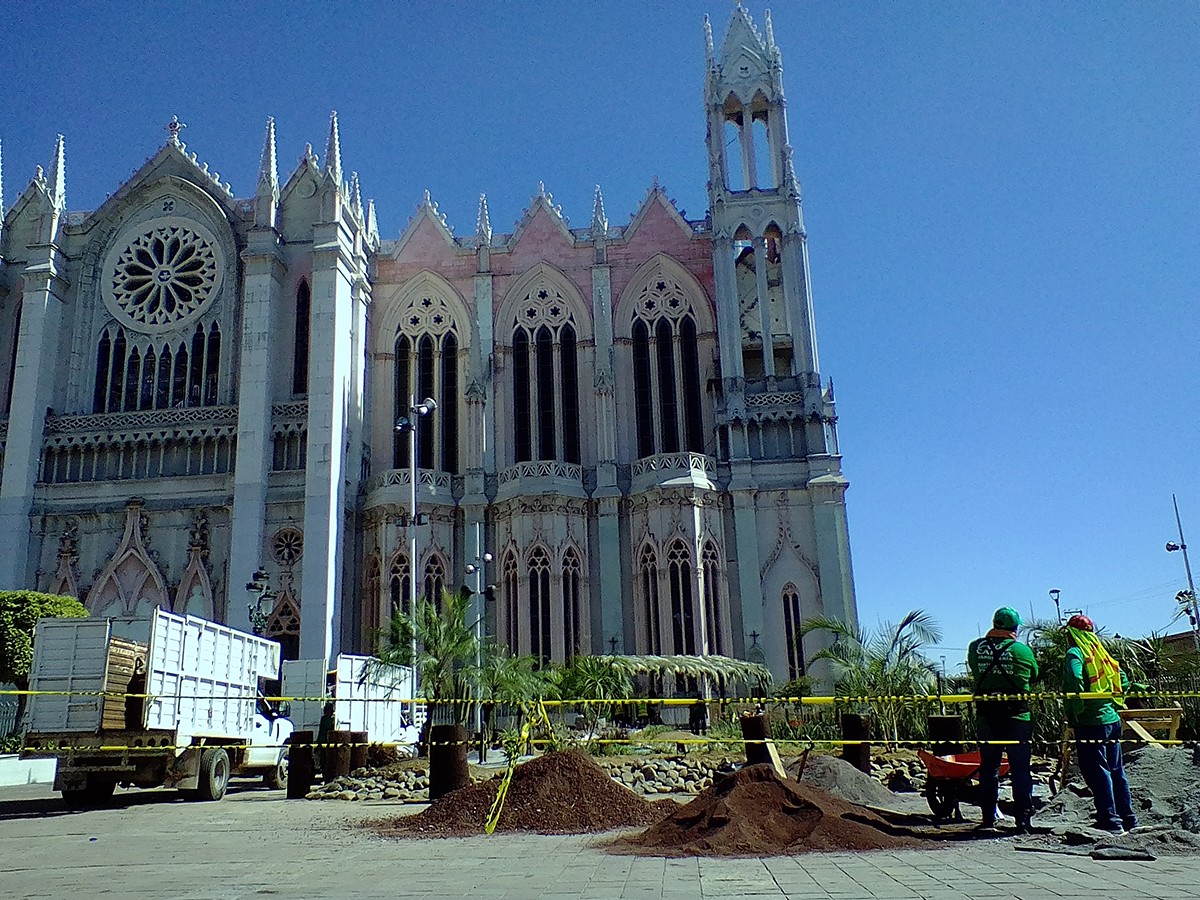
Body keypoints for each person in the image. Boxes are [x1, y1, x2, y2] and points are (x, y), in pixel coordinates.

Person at [1063, 614, 1137, 834]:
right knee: (1116, 770)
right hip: (1112, 719)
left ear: (1071, 633)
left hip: (1090, 722)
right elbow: (1122, 679)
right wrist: (1111, 700)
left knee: (1098, 771)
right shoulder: (1101, 653)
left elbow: (1075, 679)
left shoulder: (1075, 653)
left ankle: (1110, 820)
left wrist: (1076, 706)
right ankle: (1128, 818)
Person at [967, 606, 1038, 832]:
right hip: (1017, 716)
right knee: (1020, 768)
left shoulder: (975, 648)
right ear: (1015, 628)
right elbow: (1034, 674)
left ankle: (988, 818)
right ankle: (1023, 820)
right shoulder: (1022, 651)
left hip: (986, 716)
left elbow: (974, 669)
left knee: (988, 767)